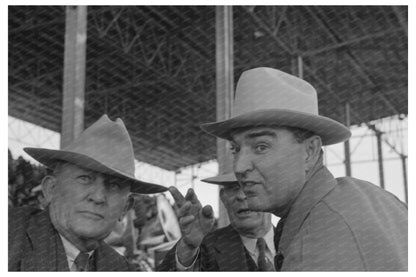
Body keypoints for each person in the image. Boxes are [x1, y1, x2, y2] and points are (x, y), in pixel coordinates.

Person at [200, 67, 408, 271]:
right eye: (235, 149)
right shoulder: (371, 198)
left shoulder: (314, 251)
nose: (239, 166)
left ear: (310, 151)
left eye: (261, 147)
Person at [8, 114, 167, 271]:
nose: (98, 197)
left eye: (114, 185)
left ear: (125, 207)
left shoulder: (119, 267)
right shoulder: (9, 236)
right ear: (51, 189)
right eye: (84, 178)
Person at [159, 173, 275, 271]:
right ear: (223, 198)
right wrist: (188, 248)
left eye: (250, 185)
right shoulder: (204, 247)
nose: (241, 196)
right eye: (233, 188)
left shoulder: (290, 238)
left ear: (272, 193)